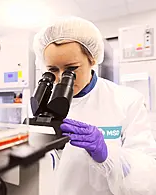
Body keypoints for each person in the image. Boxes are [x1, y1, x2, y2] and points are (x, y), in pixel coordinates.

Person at [33, 16, 156, 195]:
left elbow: (148, 177)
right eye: (52, 70)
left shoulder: (127, 100)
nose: (60, 79)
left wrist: (107, 154)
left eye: (71, 69)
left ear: (93, 60)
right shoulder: (42, 103)